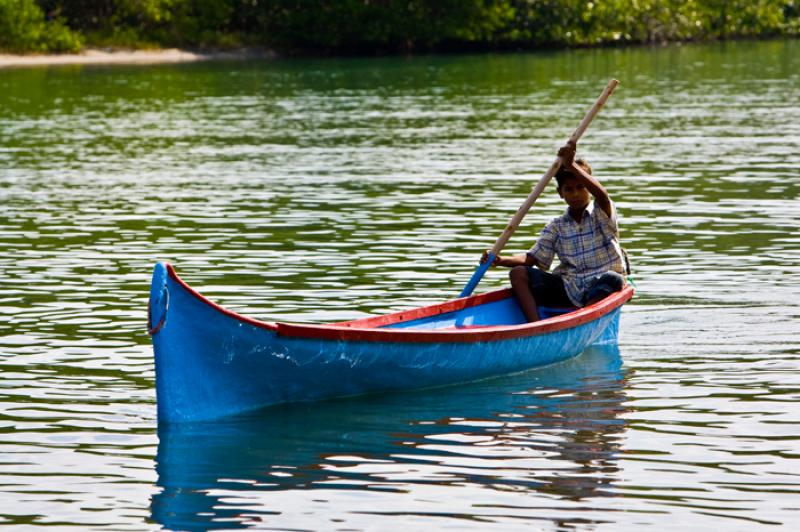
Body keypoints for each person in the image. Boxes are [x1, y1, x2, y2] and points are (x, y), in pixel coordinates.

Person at [482, 141, 627, 322]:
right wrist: (500, 260)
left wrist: (571, 165)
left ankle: (584, 318)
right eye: (569, 189)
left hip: (600, 286)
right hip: (569, 287)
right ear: (560, 193)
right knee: (518, 273)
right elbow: (533, 258)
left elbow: (602, 196)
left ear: (588, 189)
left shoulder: (601, 212)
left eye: (580, 187)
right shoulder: (556, 226)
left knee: (613, 279)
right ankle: (535, 325)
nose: (575, 194)